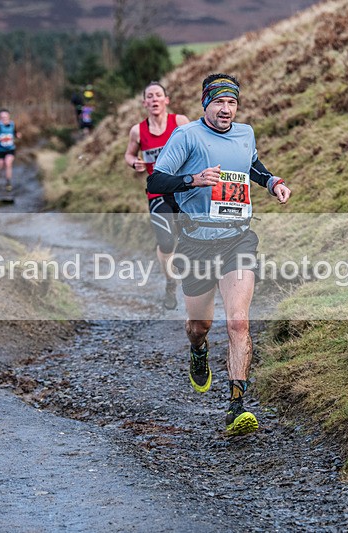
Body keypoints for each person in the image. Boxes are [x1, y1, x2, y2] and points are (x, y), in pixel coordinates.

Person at [147, 73, 291, 435]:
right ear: (205, 104)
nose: (226, 109)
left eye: (232, 103)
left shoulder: (246, 133)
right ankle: (198, 350)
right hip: (196, 242)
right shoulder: (186, 136)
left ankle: (236, 405)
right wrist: (192, 180)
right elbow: (156, 181)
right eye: (219, 102)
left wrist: (273, 182)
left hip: (237, 239)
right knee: (200, 327)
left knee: (238, 322)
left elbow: (252, 166)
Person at [124, 82, 190, 310]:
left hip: (184, 190)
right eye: (149, 96)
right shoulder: (137, 131)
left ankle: (201, 282)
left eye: (158, 95)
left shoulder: (180, 122)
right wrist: (135, 163)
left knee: (192, 237)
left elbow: (196, 145)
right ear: (144, 103)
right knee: (166, 241)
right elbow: (129, 154)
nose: (154, 99)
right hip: (157, 192)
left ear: (166, 100)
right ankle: (171, 282)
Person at [0, 109, 21, 192]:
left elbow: (14, 132)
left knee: (8, 163)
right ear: (0, 118)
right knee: (1, 166)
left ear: (9, 116)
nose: (4, 118)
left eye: (5, 117)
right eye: (2, 117)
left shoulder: (12, 124)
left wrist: (17, 135)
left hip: (10, 149)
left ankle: (8, 183)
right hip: (0, 149)